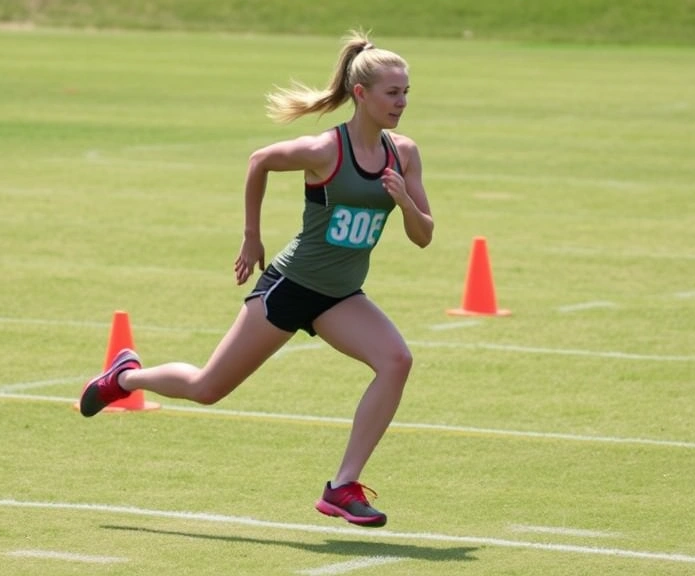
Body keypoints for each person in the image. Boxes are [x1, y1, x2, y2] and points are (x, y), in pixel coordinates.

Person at [79, 29, 433, 528]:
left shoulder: (405, 155)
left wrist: (403, 201)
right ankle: (125, 377)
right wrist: (251, 237)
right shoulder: (324, 151)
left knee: (396, 360)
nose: (401, 103)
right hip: (291, 288)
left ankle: (342, 486)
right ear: (361, 95)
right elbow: (260, 160)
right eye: (392, 92)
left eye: (406, 92)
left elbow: (424, 236)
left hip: (341, 297)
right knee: (207, 388)